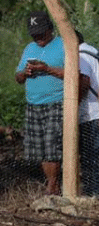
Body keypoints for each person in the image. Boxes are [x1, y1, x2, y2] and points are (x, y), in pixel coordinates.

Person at [15, 11, 67, 194]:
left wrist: (47, 69)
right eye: (34, 34)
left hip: (56, 102)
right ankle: (52, 184)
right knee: (40, 148)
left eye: (41, 33)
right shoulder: (29, 48)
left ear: (50, 29)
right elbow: (18, 77)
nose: (38, 38)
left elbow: (72, 73)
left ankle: (52, 185)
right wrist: (25, 73)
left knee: (52, 145)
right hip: (33, 104)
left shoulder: (63, 44)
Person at [77, 31, 99, 196]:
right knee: (97, 150)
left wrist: (73, 104)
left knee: (89, 154)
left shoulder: (80, 56)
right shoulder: (93, 51)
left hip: (89, 112)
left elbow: (84, 82)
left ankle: (93, 191)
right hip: (98, 109)